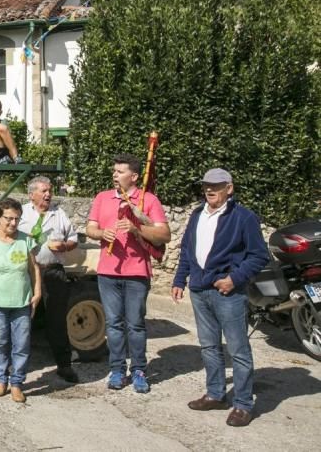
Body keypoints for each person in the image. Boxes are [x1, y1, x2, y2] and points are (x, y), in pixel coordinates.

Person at [172, 168, 269, 427]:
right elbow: (187, 251)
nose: (209, 189)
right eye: (206, 185)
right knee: (209, 347)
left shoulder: (243, 217)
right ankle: (216, 393)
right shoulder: (196, 215)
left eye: (216, 185)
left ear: (230, 188)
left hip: (228, 292)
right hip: (200, 291)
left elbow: (259, 256)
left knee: (238, 349)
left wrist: (234, 279)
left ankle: (243, 404)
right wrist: (180, 279)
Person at [84, 153, 170, 393]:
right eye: (114, 171)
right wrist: (102, 234)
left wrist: (136, 228)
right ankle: (117, 370)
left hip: (136, 273)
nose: (114, 174)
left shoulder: (148, 200)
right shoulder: (102, 198)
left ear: (133, 176)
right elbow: (90, 228)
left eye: (120, 171)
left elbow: (164, 236)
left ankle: (140, 370)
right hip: (108, 272)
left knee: (135, 324)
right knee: (113, 324)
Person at [0, 197, 41, 403]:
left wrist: (37, 291)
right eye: (9, 219)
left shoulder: (26, 240)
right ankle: (1, 380)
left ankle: (17, 384)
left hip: (21, 302)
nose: (13, 223)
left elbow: (34, 269)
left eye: (17, 219)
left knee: (21, 344)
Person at [20, 176, 80, 383]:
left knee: (57, 320)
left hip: (53, 271)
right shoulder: (22, 213)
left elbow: (73, 238)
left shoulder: (58, 213)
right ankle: (18, 367)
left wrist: (64, 246)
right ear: (31, 194)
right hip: (25, 272)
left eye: (50, 190)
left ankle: (64, 366)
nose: (48, 194)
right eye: (43, 191)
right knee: (22, 319)